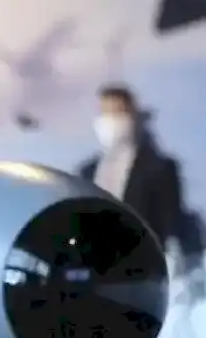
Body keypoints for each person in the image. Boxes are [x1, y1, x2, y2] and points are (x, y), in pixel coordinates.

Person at [79, 85, 185, 248]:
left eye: (117, 113)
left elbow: (169, 223)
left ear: (133, 117)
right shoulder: (87, 171)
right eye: (105, 113)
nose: (110, 121)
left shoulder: (160, 169)